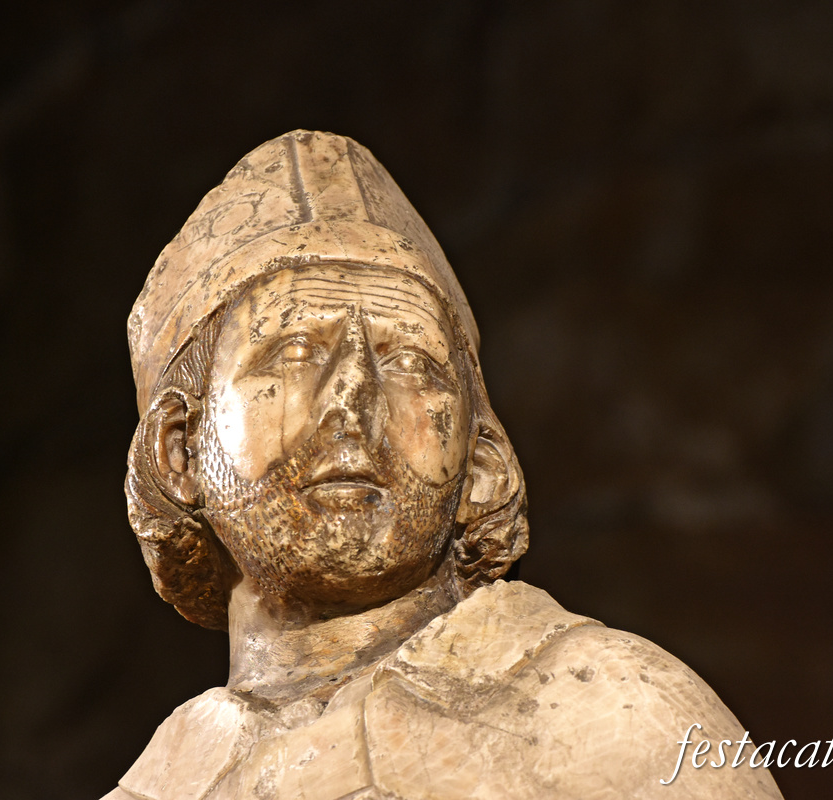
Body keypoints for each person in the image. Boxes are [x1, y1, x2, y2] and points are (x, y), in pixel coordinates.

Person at [105, 130, 783, 799]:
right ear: (179, 449)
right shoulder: (158, 787)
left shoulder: (613, 719)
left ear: (478, 464)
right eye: (294, 351)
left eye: (409, 361)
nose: (353, 398)